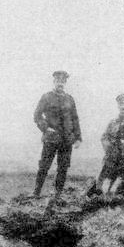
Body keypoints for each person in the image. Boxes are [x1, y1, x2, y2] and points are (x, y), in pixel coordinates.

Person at [32, 70, 82, 199]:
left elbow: (75, 119)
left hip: (67, 139)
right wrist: (46, 128)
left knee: (63, 167)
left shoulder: (70, 99)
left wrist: (78, 138)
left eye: (63, 81)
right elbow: (37, 115)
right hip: (51, 138)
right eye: (58, 81)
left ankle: (57, 194)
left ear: (65, 83)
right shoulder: (46, 97)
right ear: (54, 82)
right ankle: (36, 192)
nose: (60, 83)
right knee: (44, 165)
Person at [87, 94, 124, 202]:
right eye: (120, 104)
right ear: (118, 106)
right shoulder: (112, 123)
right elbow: (104, 137)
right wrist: (108, 146)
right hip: (113, 156)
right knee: (104, 177)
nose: (123, 107)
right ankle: (100, 192)